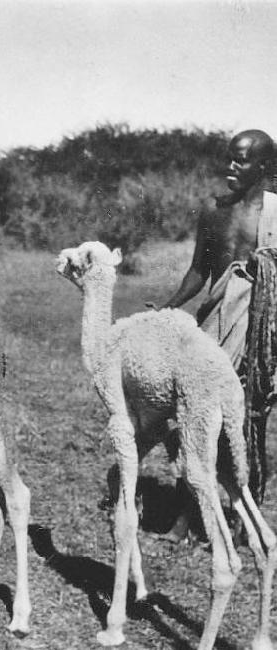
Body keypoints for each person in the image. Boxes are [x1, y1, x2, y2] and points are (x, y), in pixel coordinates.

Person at [158, 128, 277, 540]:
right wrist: (172, 304)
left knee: (251, 420)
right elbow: (199, 270)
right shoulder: (214, 211)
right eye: (230, 157)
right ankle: (188, 514)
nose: (232, 166)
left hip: (259, 330)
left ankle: (247, 517)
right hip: (214, 323)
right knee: (194, 413)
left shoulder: (276, 215)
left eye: (241, 160)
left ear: (263, 166)